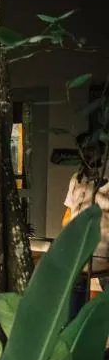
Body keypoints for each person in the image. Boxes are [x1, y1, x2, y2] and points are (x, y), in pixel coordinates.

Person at [62, 133, 109, 310]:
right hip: (79, 245)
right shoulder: (77, 178)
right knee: (77, 292)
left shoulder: (105, 180)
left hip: (100, 246)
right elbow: (69, 212)